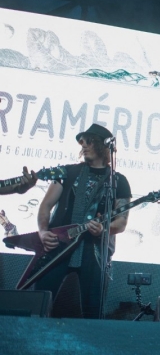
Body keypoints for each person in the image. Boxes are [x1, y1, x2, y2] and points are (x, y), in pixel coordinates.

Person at [35, 123, 132, 319]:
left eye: (89, 142)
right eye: (82, 142)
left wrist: (104, 230)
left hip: (93, 251)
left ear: (103, 146)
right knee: (39, 303)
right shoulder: (67, 172)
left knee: (92, 310)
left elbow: (121, 222)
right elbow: (45, 207)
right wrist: (43, 232)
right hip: (58, 245)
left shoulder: (118, 181)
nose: (83, 146)